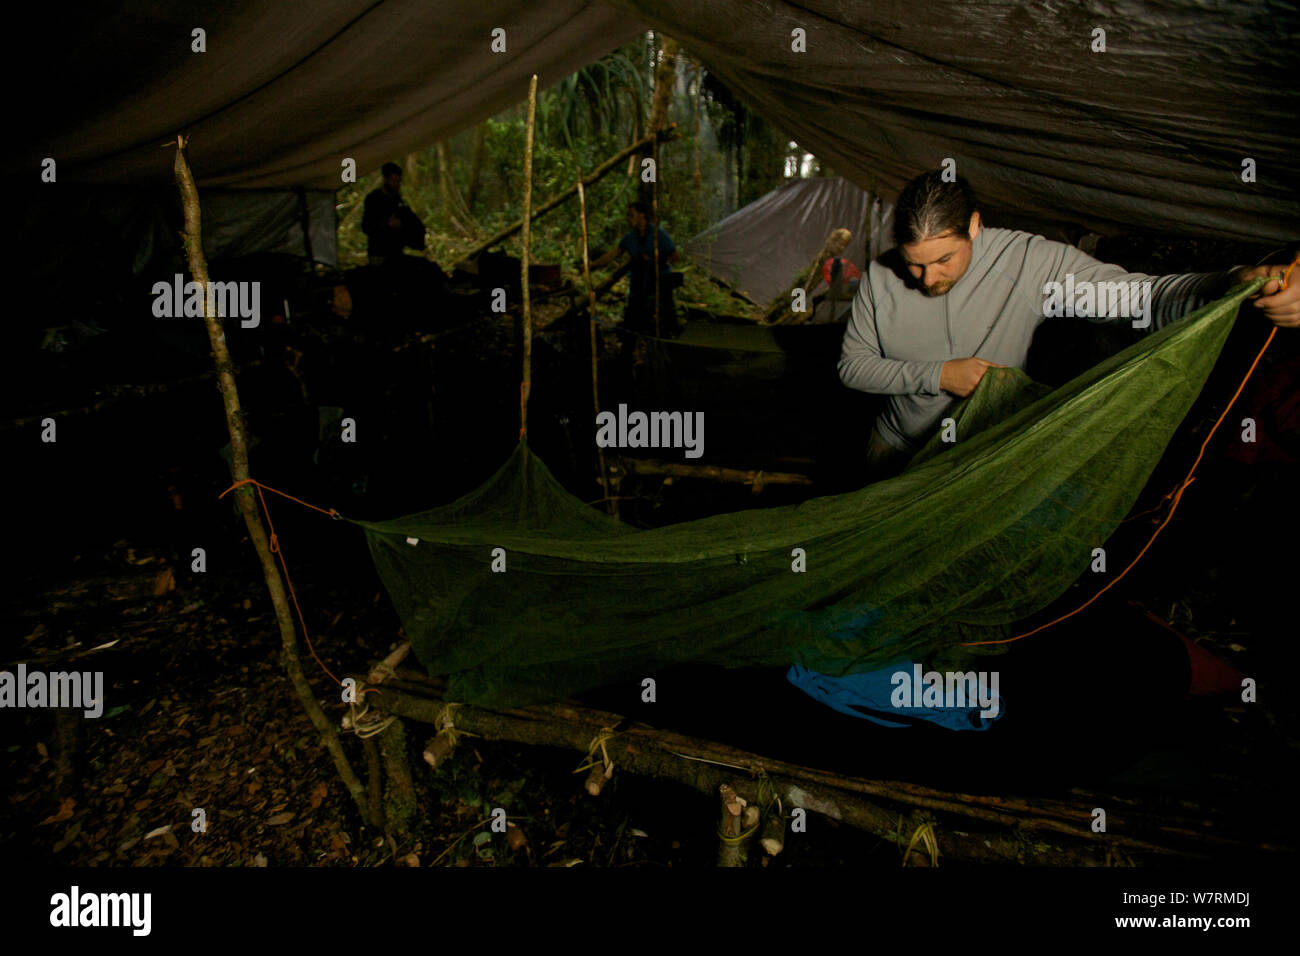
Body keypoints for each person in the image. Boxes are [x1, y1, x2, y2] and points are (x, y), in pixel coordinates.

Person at [839, 169, 1299, 482]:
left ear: (975, 226)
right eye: (913, 264)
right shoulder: (881, 276)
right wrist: (938, 375)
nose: (928, 278)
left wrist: (1230, 283)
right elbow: (853, 367)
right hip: (892, 451)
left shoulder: (1028, 263)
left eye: (943, 259)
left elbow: (1137, 298)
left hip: (972, 460)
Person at [586, 201, 681, 336]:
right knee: (633, 319)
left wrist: (655, 260)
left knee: (665, 318)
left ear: (642, 216)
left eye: (632, 215)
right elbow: (613, 254)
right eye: (628, 216)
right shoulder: (630, 238)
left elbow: (674, 257)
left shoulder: (658, 234)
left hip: (658, 284)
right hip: (638, 286)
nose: (628, 219)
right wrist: (593, 265)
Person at [361, 162, 426, 265]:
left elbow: (413, 223)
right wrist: (386, 224)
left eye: (399, 182)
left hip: (396, 254)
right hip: (379, 254)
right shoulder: (374, 199)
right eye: (394, 181)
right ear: (385, 180)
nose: (397, 185)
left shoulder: (397, 200)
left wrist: (403, 225)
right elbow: (367, 226)